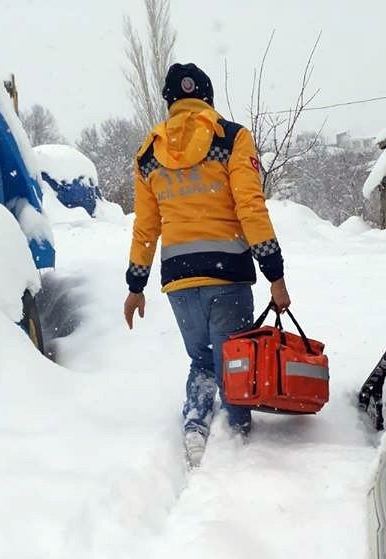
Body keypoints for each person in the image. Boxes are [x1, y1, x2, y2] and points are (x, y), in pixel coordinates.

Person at [123, 62, 290, 463]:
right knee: (233, 360)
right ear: (208, 98)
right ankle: (237, 439)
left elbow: (146, 228)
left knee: (201, 360)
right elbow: (250, 208)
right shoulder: (232, 138)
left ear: (170, 102)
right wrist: (276, 274)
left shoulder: (149, 153)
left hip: (178, 280)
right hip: (227, 273)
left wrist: (135, 286)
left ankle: (196, 424)